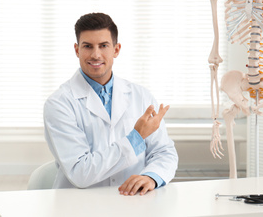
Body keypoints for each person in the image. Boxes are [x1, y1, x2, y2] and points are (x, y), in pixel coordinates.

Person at [44, 12, 178, 196]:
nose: (96, 54)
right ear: (77, 50)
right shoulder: (59, 104)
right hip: (79, 205)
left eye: (103, 46)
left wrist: (152, 177)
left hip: (134, 203)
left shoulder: (141, 96)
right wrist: (136, 137)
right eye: (87, 46)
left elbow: (164, 151)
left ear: (116, 49)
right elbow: (80, 173)